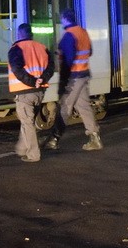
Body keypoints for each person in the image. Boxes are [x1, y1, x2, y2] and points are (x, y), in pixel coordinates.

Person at [46, 9, 103, 151]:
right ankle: (94, 137)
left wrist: (63, 82)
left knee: (65, 107)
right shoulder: (82, 32)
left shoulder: (69, 35)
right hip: (83, 74)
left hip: (73, 78)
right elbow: (89, 52)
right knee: (84, 107)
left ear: (65, 19)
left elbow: (68, 61)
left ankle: (54, 139)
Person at [7, 23, 53, 162]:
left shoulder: (16, 49)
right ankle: (22, 148)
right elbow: (51, 67)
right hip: (40, 92)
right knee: (27, 121)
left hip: (25, 91)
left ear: (19, 34)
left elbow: (17, 69)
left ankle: (33, 155)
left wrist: (32, 81)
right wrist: (41, 79)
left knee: (27, 123)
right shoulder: (42, 47)